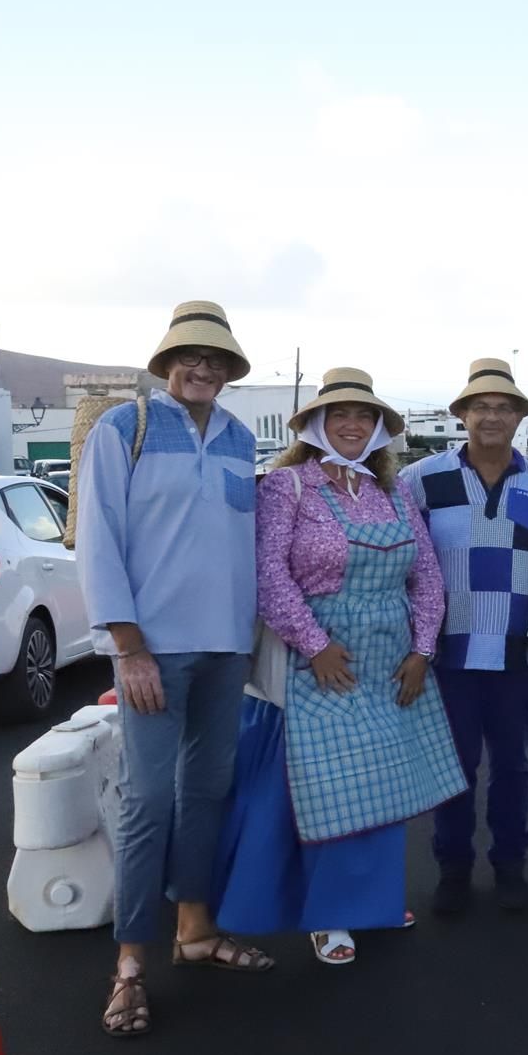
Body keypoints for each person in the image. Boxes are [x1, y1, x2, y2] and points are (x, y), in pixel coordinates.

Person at [214, 369, 466, 966]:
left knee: (380, 781)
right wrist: (314, 644)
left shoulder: (394, 491)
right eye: (339, 415)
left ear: (378, 427)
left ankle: (370, 903)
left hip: (388, 659)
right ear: (316, 424)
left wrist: (422, 651)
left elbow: (425, 576)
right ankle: (327, 916)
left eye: (364, 416)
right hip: (318, 663)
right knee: (327, 784)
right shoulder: (287, 487)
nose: (352, 425)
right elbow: (269, 574)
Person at [75, 300, 273, 1037]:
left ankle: (194, 930)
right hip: (151, 649)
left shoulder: (239, 437)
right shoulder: (121, 429)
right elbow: (98, 536)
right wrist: (127, 646)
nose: (204, 368)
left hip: (225, 647)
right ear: (166, 363)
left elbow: (245, 548)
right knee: (148, 797)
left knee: (207, 791)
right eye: (192, 356)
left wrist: (251, 639)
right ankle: (129, 964)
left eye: (218, 360)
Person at [400, 359, 528, 916]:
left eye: (503, 407)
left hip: (516, 651)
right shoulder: (418, 479)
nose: (492, 416)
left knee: (514, 767)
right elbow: (405, 566)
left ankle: (511, 866)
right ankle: (453, 868)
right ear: (461, 415)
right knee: (455, 767)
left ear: (519, 417)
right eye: (480, 407)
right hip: (447, 652)